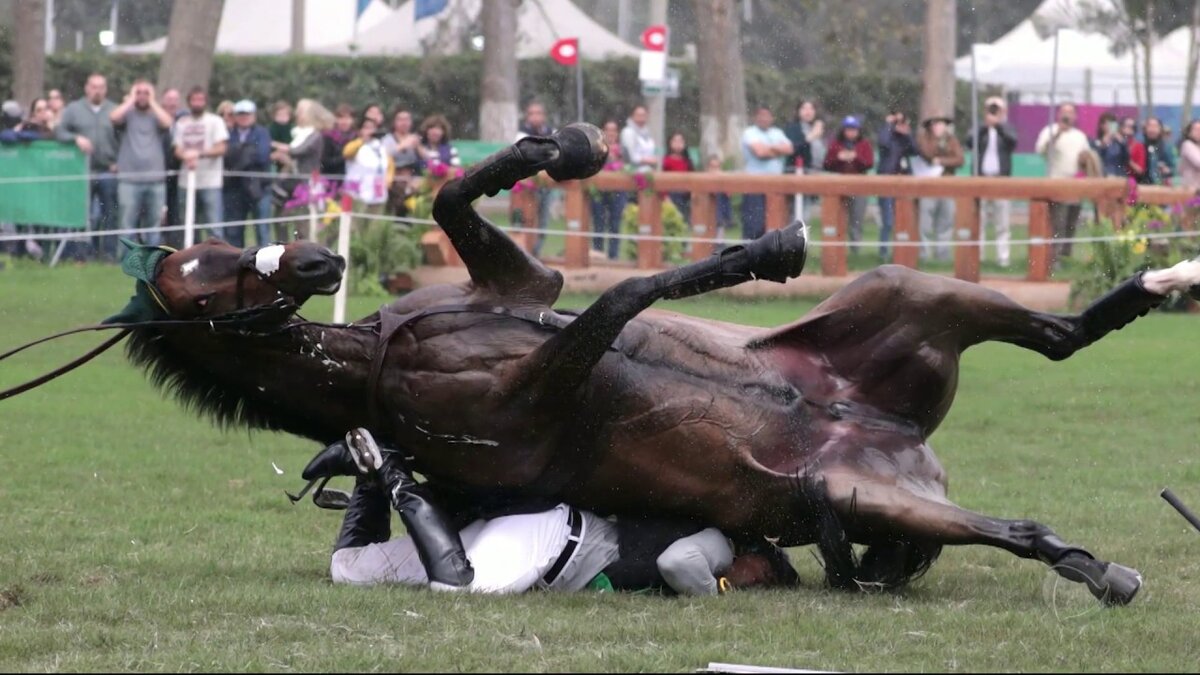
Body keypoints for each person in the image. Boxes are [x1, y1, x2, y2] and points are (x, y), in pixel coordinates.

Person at [310, 428, 795, 596]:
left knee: (346, 571)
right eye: (767, 575)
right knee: (463, 591)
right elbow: (677, 565)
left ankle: (367, 470)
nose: (757, 582)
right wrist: (715, 594)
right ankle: (394, 473)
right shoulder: (719, 545)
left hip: (528, 534)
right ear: (756, 552)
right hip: (549, 540)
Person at [56, 73, 119, 261]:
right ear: (86, 88)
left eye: (101, 86)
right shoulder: (74, 109)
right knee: (82, 215)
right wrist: (76, 138)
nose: (97, 90)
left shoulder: (114, 110)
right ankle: (81, 255)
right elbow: (59, 130)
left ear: (105, 89)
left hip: (109, 170)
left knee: (110, 214)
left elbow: (126, 138)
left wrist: (120, 161)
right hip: (83, 172)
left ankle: (108, 254)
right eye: (93, 86)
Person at [110, 79, 172, 247]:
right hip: (129, 180)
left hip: (155, 180)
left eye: (147, 92)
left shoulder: (156, 115)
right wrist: (131, 99)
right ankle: (127, 260)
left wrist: (152, 101)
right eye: (139, 92)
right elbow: (113, 117)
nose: (142, 96)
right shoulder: (127, 114)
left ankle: (153, 260)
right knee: (127, 223)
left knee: (154, 225)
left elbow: (168, 122)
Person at [1035, 103, 1091, 267]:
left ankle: (1066, 257)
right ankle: (1055, 259)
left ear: (1075, 116)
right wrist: (1058, 133)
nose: (1067, 115)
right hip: (1057, 186)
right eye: (1064, 112)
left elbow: (1086, 156)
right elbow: (1042, 150)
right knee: (1057, 224)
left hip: (1076, 187)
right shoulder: (1049, 131)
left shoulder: (1080, 136)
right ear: (1059, 114)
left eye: (1071, 112)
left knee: (1071, 224)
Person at [172, 87, 229, 243]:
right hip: (186, 181)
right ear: (189, 102)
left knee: (213, 225)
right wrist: (186, 156)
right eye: (194, 99)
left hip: (210, 182)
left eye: (201, 99)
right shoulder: (182, 123)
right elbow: (177, 148)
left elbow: (221, 147)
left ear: (206, 102)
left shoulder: (215, 121)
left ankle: (218, 259)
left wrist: (198, 154)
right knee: (189, 224)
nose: (197, 103)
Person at [967, 96, 1018, 268]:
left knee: (1002, 223)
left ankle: (1003, 258)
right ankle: (978, 258)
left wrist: (998, 126)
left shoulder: (1007, 129)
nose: (994, 112)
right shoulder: (979, 129)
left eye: (997, 109)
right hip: (981, 180)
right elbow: (969, 142)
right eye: (991, 108)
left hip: (1000, 180)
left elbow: (1013, 143)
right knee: (978, 221)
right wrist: (985, 126)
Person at [222, 99, 273, 247]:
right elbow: (226, 157)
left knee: (262, 230)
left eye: (247, 114)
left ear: (254, 115)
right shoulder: (229, 134)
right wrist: (247, 152)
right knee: (233, 231)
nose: (244, 117)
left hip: (259, 188)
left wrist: (238, 154)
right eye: (240, 114)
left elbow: (263, 156)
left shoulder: (262, 132)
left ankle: (266, 266)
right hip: (234, 189)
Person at [914, 114, 964, 262]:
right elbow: (927, 153)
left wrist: (941, 160)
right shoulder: (924, 138)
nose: (938, 127)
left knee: (946, 222)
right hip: (928, 187)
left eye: (941, 124)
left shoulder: (951, 140)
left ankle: (942, 256)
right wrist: (943, 153)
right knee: (925, 223)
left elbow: (959, 159)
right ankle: (924, 255)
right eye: (934, 124)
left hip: (947, 186)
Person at [740, 105, 793, 241]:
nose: (764, 118)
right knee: (754, 224)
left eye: (767, 115)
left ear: (772, 118)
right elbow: (760, 153)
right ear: (756, 117)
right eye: (761, 115)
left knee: (776, 224)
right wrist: (777, 149)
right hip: (755, 185)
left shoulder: (777, 132)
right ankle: (749, 255)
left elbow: (789, 149)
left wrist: (768, 148)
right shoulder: (749, 132)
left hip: (776, 186)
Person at [822, 115, 874, 252]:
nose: (851, 132)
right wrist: (839, 158)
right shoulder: (836, 144)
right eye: (848, 129)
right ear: (843, 130)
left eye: (854, 129)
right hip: (839, 186)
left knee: (856, 220)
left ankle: (855, 250)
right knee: (838, 219)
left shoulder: (864, 144)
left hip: (859, 186)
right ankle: (837, 250)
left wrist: (856, 157)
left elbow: (869, 163)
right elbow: (826, 164)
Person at [341, 115, 394, 241]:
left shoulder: (380, 147)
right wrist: (362, 140)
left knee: (374, 229)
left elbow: (389, 165)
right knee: (355, 228)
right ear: (360, 130)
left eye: (372, 128)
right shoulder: (355, 144)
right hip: (357, 194)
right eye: (366, 127)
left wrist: (389, 180)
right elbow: (346, 153)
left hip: (378, 193)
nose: (370, 130)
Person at [515, 101, 557, 256]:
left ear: (544, 116)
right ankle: (524, 254)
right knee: (526, 219)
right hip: (527, 184)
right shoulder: (522, 133)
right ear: (527, 116)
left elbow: (556, 152)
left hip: (547, 184)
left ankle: (536, 253)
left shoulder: (551, 131)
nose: (535, 117)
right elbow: (526, 153)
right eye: (532, 113)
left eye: (538, 113)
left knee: (543, 220)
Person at [876, 110, 916, 261]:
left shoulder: (904, 139)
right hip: (887, 182)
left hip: (904, 183)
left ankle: (903, 254)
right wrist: (889, 124)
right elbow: (883, 142)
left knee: (905, 221)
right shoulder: (888, 136)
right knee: (888, 221)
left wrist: (907, 133)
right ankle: (884, 252)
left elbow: (915, 150)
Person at [589, 119, 628, 261]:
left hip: (618, 191)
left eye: (614, 130)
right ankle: (598, 254)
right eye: (608, 130)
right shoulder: (596, 148)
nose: (611, 133)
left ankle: (613, 256)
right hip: (599, 191)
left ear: (617, 133)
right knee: (598, 223)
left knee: (615, 224)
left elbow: (629, 168)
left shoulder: (623, 149)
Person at [782, 100, 825, 221]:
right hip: (795, 173)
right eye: (804, 108)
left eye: (811, 108)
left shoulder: (816, 129)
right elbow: (793, 148)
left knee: (805, 213)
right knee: (796, 214)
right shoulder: (793, 127)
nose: (808, 111)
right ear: (798, 111)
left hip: (812, 174)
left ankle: (801, 239)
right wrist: (812, 136)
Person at [383, 109, 423, 218]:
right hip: (393, 180)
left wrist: (418, 147)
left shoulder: (415, 138)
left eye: (406, 119)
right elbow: (385, 155)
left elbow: (426, 159)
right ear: (394, 122)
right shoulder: (388, 139)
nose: (404, 123)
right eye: (400, 119)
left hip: (412, 179)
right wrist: (402, 145)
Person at [160, 88, 184, 248]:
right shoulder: (157, 120)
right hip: (159, 174)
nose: (172, 103)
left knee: (176, 212)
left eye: (175, 99)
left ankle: (175, 247)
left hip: (179, 174)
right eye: (169, 99)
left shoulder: (184, 121)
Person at [661, 131, 695, 224]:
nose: (678, 144)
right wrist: (665, 197)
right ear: (670, 143)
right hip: (671, 196)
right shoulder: (666, 161)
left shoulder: (687, 161)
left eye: (680, 141)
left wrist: (692, 195)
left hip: (685, 197)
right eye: (675, 141)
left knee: (684, 223)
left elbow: (693, 180)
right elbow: (662, 182)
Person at [320, 103, 357, 180]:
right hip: (332, 179)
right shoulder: (328, 137)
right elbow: (324, 162)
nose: (344, 121)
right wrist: (344, 158)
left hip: (352, 179)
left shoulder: (356, 138)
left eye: (347, 118)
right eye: (341, 118)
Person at [620, 104, 658, 173]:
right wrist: (649, 161)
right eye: (638, 115)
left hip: (649, 171)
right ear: (632, 116)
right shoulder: (628, 132)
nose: (641, 118)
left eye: (644, 115)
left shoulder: (647, 133)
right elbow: (632, 157)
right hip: (633, 172)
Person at [1091, 111, 1129, 178]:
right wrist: (1103, 144)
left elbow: (1126, 159)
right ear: (1101, 126)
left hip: (1119, 175)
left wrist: (1122, 143)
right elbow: (1095, 159)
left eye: (1112, 124)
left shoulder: (1120, 142)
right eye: (1107, 124)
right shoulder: (1096, 142)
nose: (1109, 126)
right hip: (1103, 175)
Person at [1142, 116, 1176, 186]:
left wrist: (1167, 170)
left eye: (1155, 126)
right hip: (1142, 186)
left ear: (1160, 129)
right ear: (1145, 129)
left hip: (1160, 186)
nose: (1152, 129)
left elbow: (1174, 168)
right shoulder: (1141, 146)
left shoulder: (1167, 147)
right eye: (1149, 126)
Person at [1122, 116, 1148, 183]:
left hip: (1132, 182)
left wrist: (1128, 161)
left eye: (1131, 127)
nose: (1128, 129)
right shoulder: (1116, 144)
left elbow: (1140, 170)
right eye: (1126, 126)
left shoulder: (1138, 146)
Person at [1177, 119, 1200, 193]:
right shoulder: (1187, 145)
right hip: (1190, 189)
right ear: (1189, 132)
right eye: (1196, 129)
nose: (1199, 132)